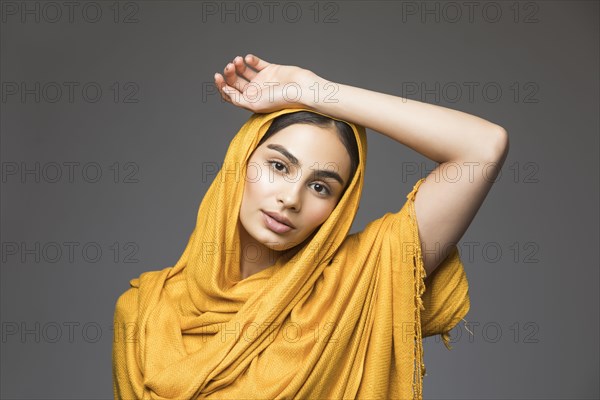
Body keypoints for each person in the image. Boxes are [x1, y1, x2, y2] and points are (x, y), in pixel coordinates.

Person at [112, 54, 509, 399]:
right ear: (239, 163)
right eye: (279, 166)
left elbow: (481, 146)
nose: (291, 198)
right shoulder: (144, 309)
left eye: (320, 186)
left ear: (339, 205)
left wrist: (316, 90)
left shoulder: (357, 282)